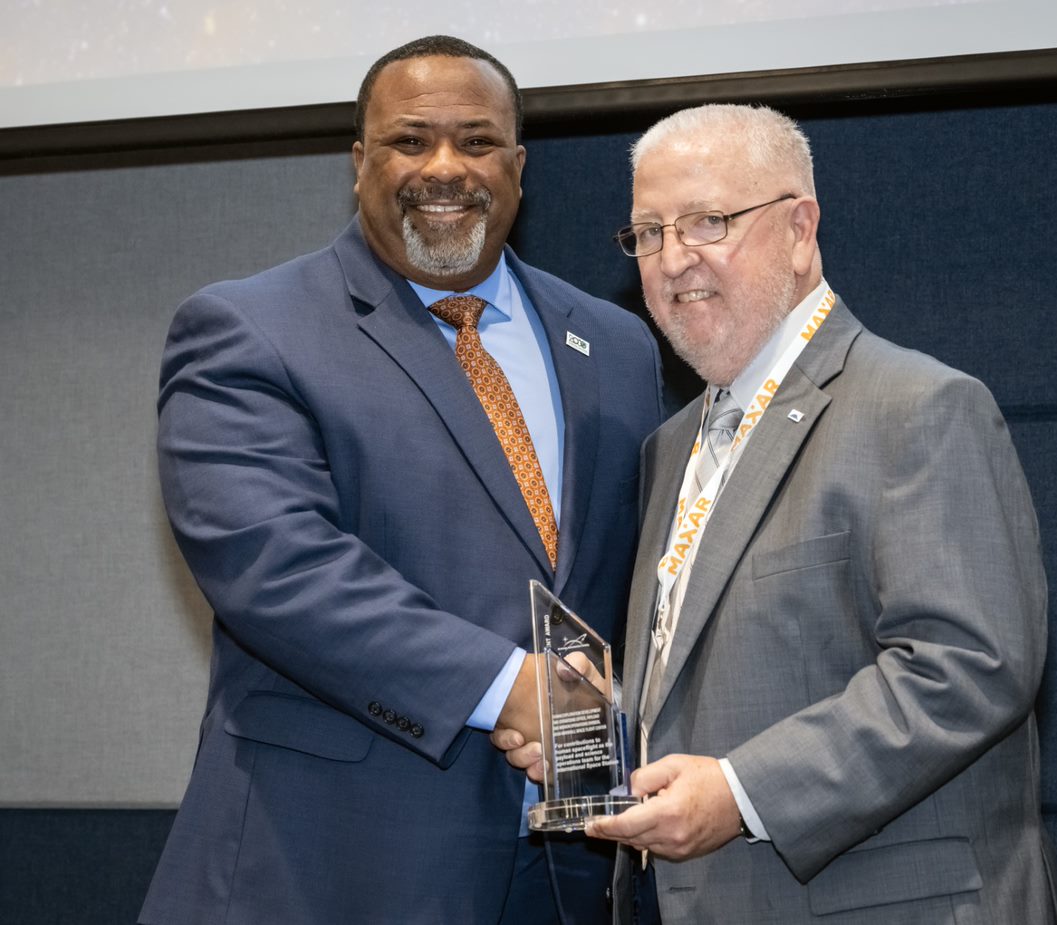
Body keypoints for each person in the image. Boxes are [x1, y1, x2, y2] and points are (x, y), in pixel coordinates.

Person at [139, 35, 666, 925]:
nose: (446, 167)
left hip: (570, 875)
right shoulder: (249, 330)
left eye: (478, 141)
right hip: (331, 866)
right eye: (411, 140)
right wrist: (512, 685)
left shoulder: (615, 345)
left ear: (519, 163)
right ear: (358, 162)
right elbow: (280, 569)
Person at [499, 103, 1057, 923]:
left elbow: (970, 666)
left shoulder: (919, 407)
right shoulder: (671, 447)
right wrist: (596, 733)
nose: (671, 259)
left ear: (800, 230)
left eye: (707, 221)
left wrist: (740, 791)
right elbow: (715, 680)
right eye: (648, 233)